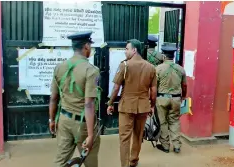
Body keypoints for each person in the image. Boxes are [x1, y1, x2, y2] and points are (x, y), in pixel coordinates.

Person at [49, 31, 101, 167]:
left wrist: (51, 120)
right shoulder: (91, 70)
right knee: (90, 160)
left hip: (64, 120)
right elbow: (89, 104)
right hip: (82, 123)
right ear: (86, 46)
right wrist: (90, 135)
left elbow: (54, 98)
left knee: (60, 160)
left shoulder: (59, 67)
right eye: (90, 46)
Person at [107, 39, 157, 167]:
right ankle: (133, 161)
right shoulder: (151, 67)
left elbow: (116, 88)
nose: (125, 52)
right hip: (143, 107)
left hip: (126, 107)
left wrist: (110, 103)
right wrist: (152, 106)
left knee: (124, 138)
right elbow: (153, 90)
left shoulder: (125, 66)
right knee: (138, 135)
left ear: (134, 50)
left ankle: (124, 165)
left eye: (127, 49)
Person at [155, 45, 187, 154]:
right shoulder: (181, 69)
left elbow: (155, 86)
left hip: (162, 98)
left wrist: (152, 99)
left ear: (164, 55)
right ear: (173, 56)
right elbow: (184, 86)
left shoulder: (158, 69)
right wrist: (183, 97)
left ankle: (165, 146)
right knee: (175, 121)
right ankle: (177, 145)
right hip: (176, 99)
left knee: (163, 122)